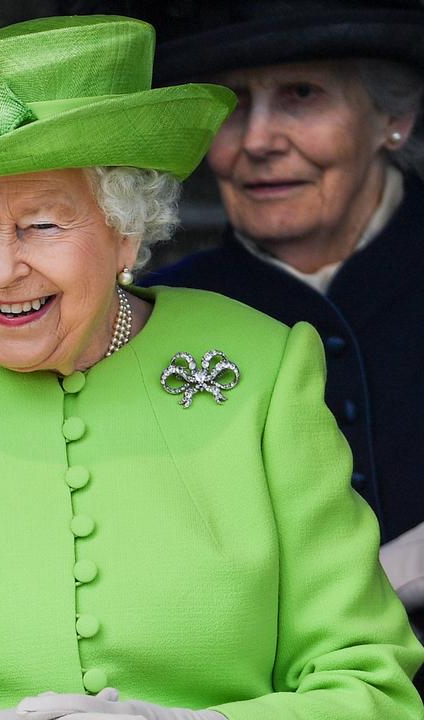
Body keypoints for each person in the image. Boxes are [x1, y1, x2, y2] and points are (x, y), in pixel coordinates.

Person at [0, 15, 424, 720]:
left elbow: (368, 683)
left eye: (41, 224)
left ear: (125, 233)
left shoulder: (266, 366)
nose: (0, 268)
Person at [106, 0, 424, 631]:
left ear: (394, 116)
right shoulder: (145, 315)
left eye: (302, 95)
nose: (256, 141)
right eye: (230, 104)